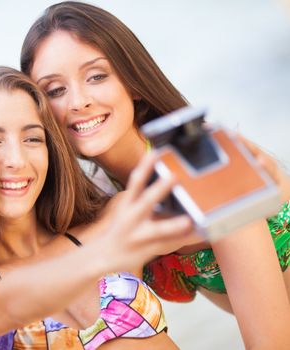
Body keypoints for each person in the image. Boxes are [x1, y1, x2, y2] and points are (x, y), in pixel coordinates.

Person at [20, 1, 290, 348]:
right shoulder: (99, 200)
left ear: (132, 81)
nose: (78, 101)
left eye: (97, 76)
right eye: (55, 90)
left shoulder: (201, 158)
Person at [0, 66, 199, 350]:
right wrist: (106, 251)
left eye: (33, 138)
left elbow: (229, 203)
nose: (16, 160)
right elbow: (5, 302)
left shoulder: (110, 220)